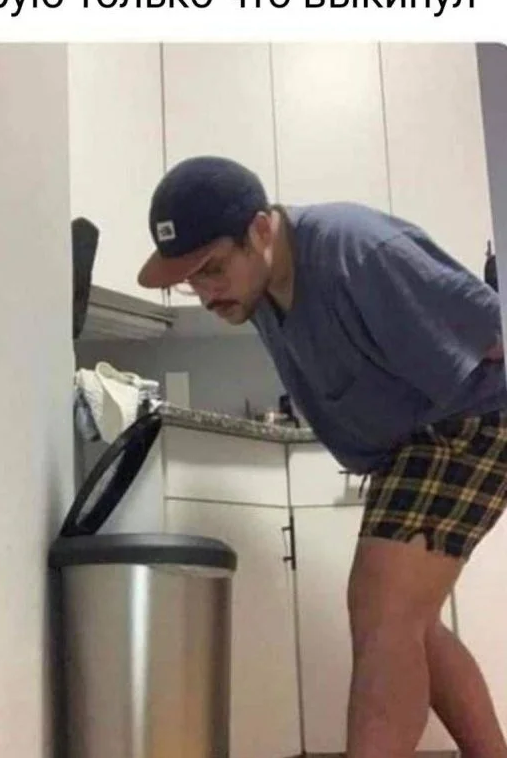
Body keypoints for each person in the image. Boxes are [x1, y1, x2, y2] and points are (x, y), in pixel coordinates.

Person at [137, 155, 507, 758]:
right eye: (190, 280)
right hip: (414, 441)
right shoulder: (255, 290)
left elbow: (490, 331)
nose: (204, 293)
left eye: (213, 268)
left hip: (475, 419)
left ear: (261, 229)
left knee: (381, 608)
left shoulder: (358, 250)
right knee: (410, 621)